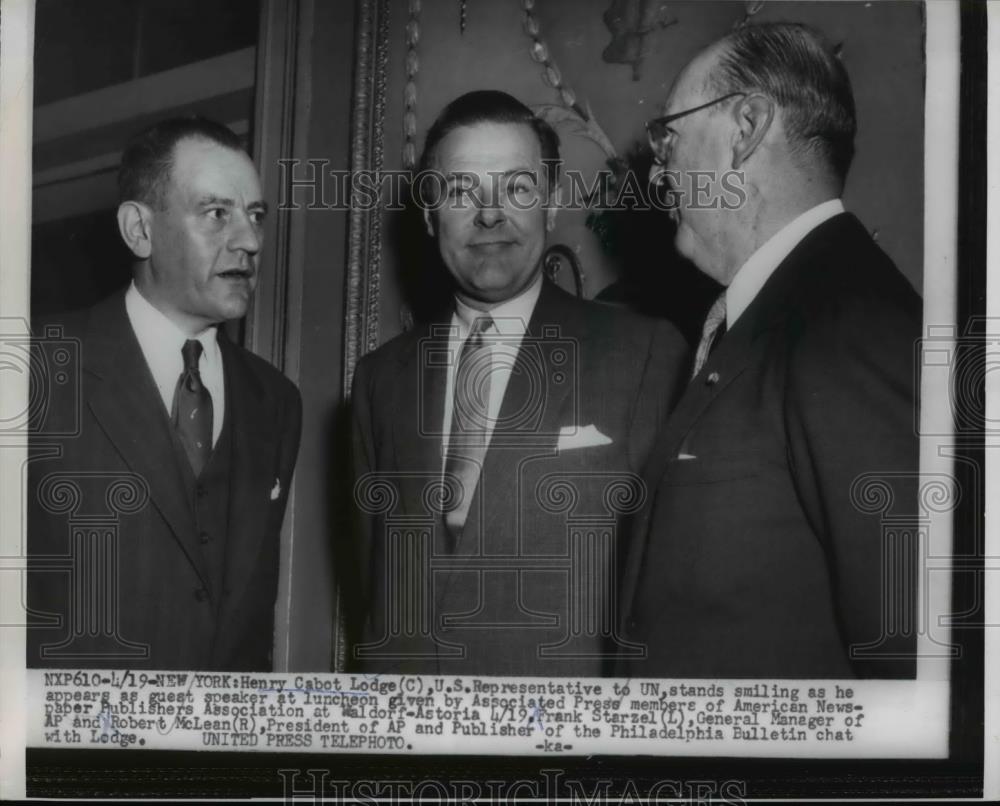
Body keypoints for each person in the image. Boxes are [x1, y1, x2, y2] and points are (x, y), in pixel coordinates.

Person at [617, 23, 921, 679]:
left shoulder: (849, 323)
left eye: (667, 138)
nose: (658, 173)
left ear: (747, 125)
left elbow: (912, 667)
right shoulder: (777, 312)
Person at [351, 90, 688, 677]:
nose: (489, 214)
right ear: (430, 215)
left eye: (517, 187)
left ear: (551, 205)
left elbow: (673, 588)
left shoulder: (645, 356)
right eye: (461, 191)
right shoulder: (380, 380)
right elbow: (369, 576)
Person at [26, 117, 302, 671]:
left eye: (255, 216)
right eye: (217, 213)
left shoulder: (276, 400)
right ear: (139, 230)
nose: (249, 241)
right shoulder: (36, 364)